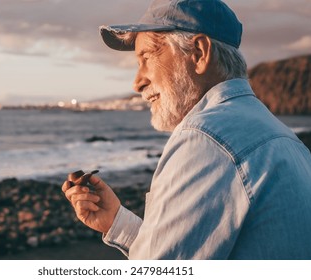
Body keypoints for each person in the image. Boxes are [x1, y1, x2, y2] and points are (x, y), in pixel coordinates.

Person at [62, 0, 311, 259]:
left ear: (199, 54)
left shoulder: (206, 139)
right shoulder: (286, 139)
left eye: (146, 57)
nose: (137, 82)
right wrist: (116, 221)